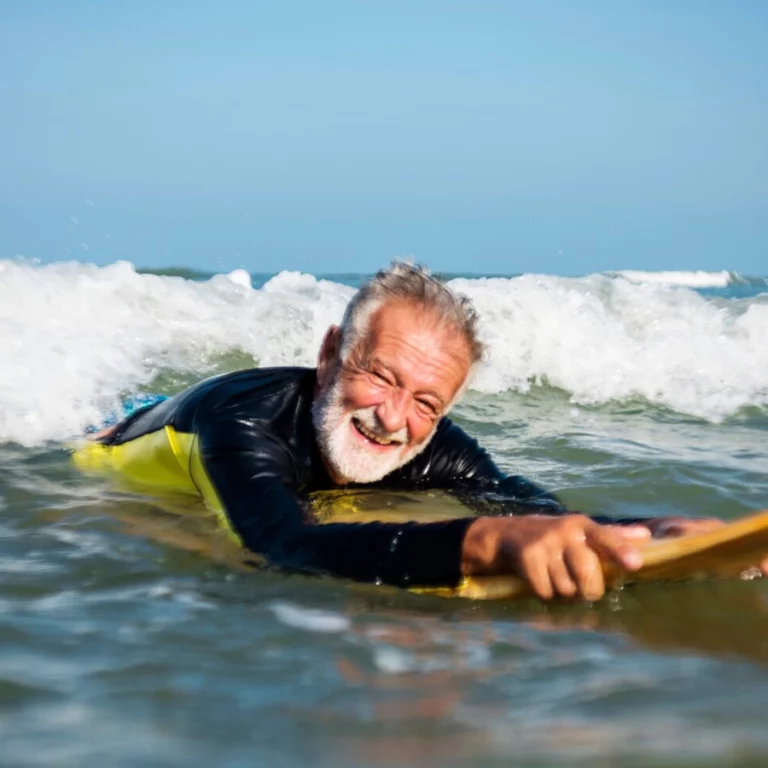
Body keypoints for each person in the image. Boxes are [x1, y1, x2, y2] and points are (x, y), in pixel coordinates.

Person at [76, 262, 739, 601]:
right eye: (381, 377)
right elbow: (281, 547)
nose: (394, 420)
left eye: (426, 400)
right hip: (112, 444)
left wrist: (655, 529)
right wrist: (479, 545)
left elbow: (526, 509)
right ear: (333, 352)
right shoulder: (242, 420)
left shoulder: (431, 442)